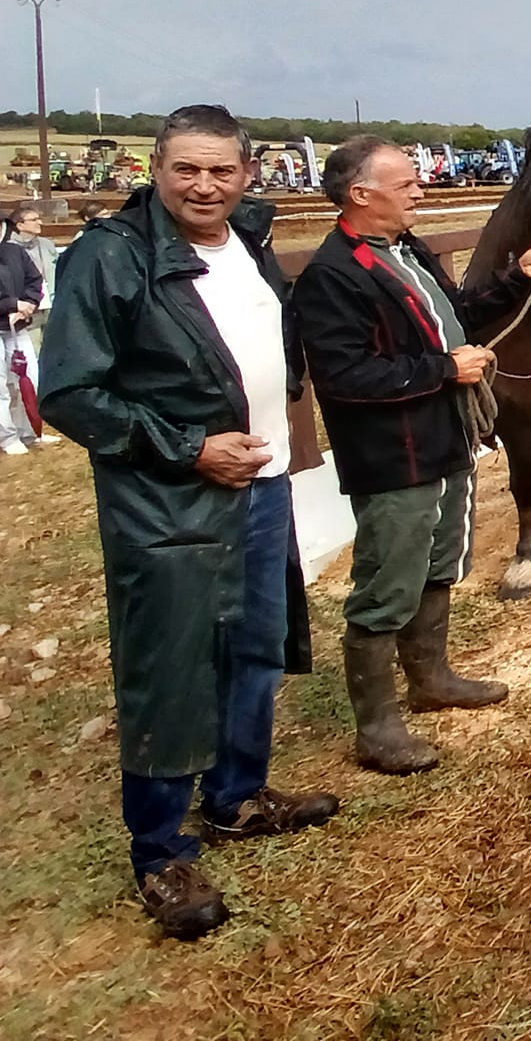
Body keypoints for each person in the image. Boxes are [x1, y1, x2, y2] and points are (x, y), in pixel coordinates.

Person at [39, 105, 340, 941]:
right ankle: (161, 849)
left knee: (254, 646)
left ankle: (238, 795)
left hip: (263, 485)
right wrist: (186, 447)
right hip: (170, 498)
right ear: (156, 171)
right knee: (171, 664)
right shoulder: (113, 256)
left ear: (248, 173)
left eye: (220, 170)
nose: (203, 186)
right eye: (185, 170)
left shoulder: (246, 238)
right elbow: (70, 391)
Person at [292, 136, 531, 774]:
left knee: (439, 562)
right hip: (393, 457)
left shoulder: (405, 251)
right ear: (362, 195)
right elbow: (346, 376)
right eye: (408, 183)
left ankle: (432, 677)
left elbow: (457, 313)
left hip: (443, 442)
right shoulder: (333, 277)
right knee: (388, 580)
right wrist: (445, 370)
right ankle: (378, 726)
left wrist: (513, 277)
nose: (421, 190)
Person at [0, 226, 44, 454]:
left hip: (17, 326)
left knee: (29, 379)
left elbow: (34, 280)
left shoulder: (14, 252)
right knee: (1, 388)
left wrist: (28, 304)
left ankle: (29, 430)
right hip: (6, 321)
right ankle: (6, 437)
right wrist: (10, 305)